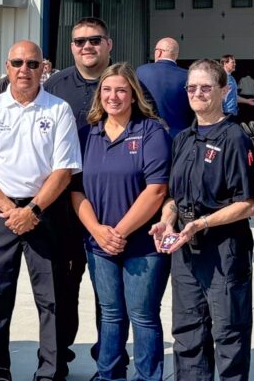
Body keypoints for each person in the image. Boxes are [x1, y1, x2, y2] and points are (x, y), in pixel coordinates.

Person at [0, 40, 82, 381]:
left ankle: (50, 373)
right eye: (18, 63)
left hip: (45, 211)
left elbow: (63, 170)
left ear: (44, 68)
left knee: (53, 300)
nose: (24, 70)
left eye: (33, 64)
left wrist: (31, 209)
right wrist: (9, 209)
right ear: (7, 67)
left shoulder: (58, 110)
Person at [148, 59, 254, 381]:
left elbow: (248, 204)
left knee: (228, 331)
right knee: (187, 331)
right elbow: (173, 197)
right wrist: (167, 221)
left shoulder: (234, 138)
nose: (198, 93)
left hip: (224, 249)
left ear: (224, 91)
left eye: (206, 87)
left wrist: (203, 223)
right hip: (186, 249)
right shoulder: (183, 138)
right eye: (192, 88)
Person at [72, 63, 170, 381]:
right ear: (99, 95)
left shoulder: (151, 131)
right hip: (99, 244)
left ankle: (147, 376)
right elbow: (75, 191)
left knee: (142, 315)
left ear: (133, 95)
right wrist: (98, 232)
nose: (113, 96)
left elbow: (156, 191)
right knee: (111, 314)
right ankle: (108, 374)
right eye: (107, 90)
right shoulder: (88, 133)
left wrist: (119, 232)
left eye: (121, 90)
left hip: (142, 244)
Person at [44, 16, 114, 373]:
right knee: (63, 288)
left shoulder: (123, 82)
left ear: (108, 44)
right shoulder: (55, 87)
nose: (87, 46)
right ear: (71, 47)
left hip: (111, 206)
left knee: (109, 293)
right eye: (80, 41)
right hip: (63, 207)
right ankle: (59, 357)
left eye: (95, 40)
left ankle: (108, 359)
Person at [137, 37, 195, 138]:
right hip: (180, 137)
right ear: (176, 55)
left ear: (159, 52)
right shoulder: (188, 76)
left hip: (146, 135)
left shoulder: (141, 71)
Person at [220, 55, 254, 119]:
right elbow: (218, 97)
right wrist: (221, 114)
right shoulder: (221, 78)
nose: (235, 64)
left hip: (233, 113)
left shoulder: (232, 78)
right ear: (225, 63)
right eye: (232, 62)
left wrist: (247, 101)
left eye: (235, 62)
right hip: (225, 114)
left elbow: (234, 96)